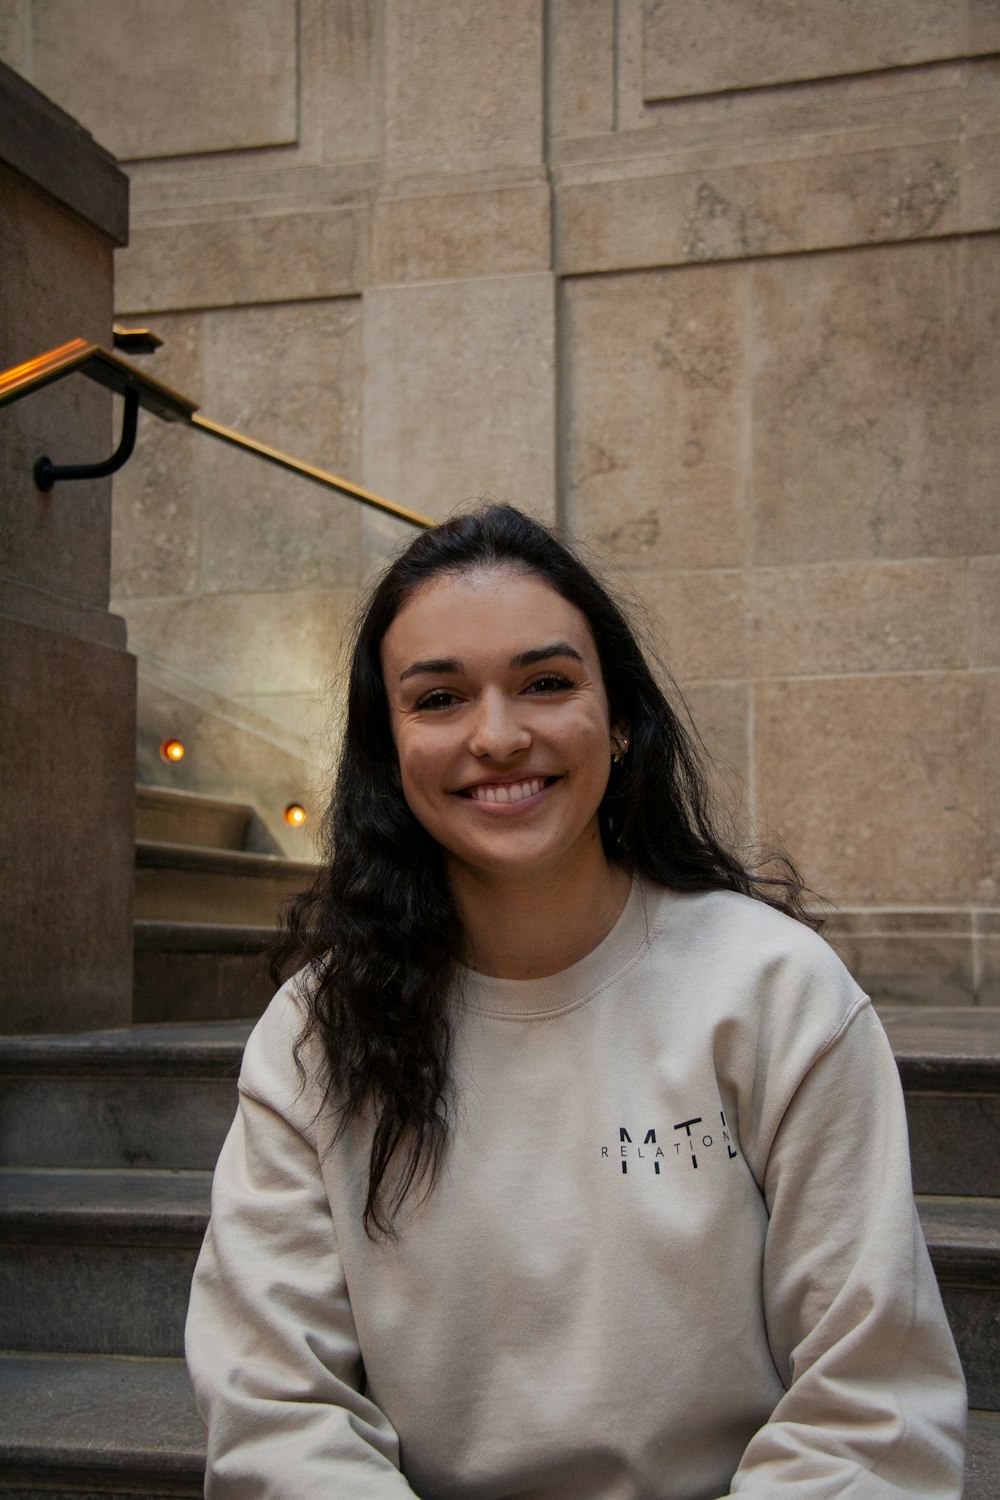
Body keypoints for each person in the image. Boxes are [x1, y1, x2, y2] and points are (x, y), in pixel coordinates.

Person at [185, 503, 966, 1498]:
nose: (498, 736)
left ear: (622, 719)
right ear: (387, 749)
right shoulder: (313, 1035)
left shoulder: (775, 993)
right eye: (438, 699)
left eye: (546, 684)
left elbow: (871, 1402)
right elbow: (275, 1410)